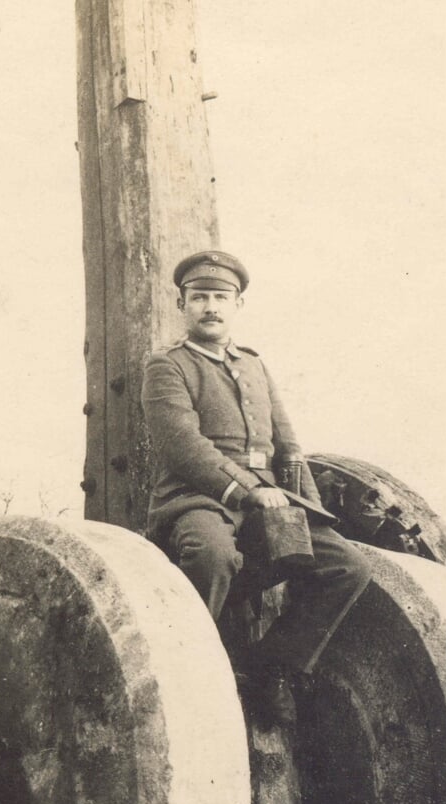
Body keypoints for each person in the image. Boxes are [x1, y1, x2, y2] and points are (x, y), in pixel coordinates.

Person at [141, 250, 369, 677]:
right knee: (212, 557)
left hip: (269, 500)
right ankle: (190, 672)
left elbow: (288, 445)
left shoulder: (254, 365)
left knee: (345, 566)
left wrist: (312, 509)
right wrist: (248, 490)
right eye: (199, 297)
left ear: (237, 305)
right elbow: (183, 446)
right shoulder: (168, 366)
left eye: (221, 297)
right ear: (181, 304)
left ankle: (269, 670)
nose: (210, 306)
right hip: (198, 499)